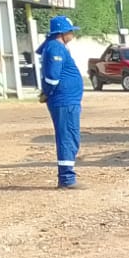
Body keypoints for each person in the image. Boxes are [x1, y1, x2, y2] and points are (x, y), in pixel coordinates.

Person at [37, 15, 85, 189]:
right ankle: (67, 179)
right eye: (70, 31)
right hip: (64, 101)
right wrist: (47, 92)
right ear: (62, 32)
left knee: (70, 136)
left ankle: (67, 176)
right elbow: (52, 76)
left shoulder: (57, 47)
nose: (72, 34)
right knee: (67, 137)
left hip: (67, 100)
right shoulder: (55, 48)